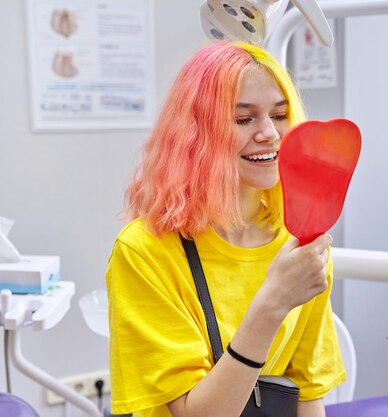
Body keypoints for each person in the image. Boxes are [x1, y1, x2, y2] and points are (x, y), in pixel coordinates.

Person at [106, 41, 346, 417]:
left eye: (280, 115)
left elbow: (308, 387)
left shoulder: (297, 243)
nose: (269, 133)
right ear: (195, 133)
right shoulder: (144, 252)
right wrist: (273, 303)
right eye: (243, 119)